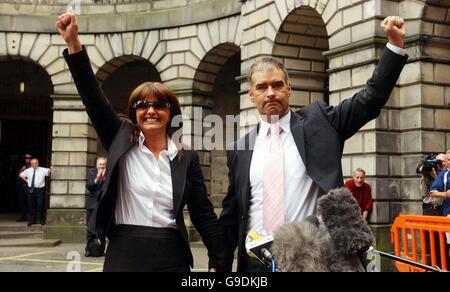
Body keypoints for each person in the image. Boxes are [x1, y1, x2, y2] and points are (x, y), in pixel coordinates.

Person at [220, 16, 408, 272]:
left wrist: (394, 46)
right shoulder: (239, 149)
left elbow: (369, 99)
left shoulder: (321, 122)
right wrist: (217, 265)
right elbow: (232, 214)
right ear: (251, 95)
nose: (271, 93)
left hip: (313, 259)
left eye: (277, 85)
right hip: (255, 264)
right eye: (262, 87)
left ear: (289, 89)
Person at [57, 12, 226, 272]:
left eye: (159, 105)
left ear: (171, 112)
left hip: (172, 256)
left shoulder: (187, 159)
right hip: (124, 254)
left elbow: (203, 214)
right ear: (134, 112)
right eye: (142, 105)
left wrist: (220, 262)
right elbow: (92, 96)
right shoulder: (120, 139)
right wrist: (74, 45)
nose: (150, 111)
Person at [85, 157, 107, 257]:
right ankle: (88, 250)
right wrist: (96, 180)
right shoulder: (92, 173)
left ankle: (100, 250)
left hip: (103, 205)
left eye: (103, 164)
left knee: (102, 229)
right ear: (96, 165)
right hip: (92, 206)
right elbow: (89, 186)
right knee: (90, 229)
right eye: (100, 164)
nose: (101, 166)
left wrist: (105, 180)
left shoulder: (108, 173)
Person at [19, 159, 51, 226]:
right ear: (31, 164)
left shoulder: (43, 169)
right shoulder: (28, 170)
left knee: (40, 205)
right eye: (33, 163)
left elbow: (48, 172)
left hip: (40, 190)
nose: (34, 165)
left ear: (38, 163)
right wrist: (27, 181)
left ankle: (41, 219)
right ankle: (32, 220)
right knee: (31, 205)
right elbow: (21, 175)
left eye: (36, 163)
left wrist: (50, 169)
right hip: (31, 189)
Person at [16, 154, 32, 222]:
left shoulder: (33, 167)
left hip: (30, 186)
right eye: (26, 159)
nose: (27, 160)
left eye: (29, 158)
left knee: (30, 202)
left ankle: (31, 217)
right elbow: (18, 177)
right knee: (22, 202)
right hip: (22, 186)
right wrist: (21, 170)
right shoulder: (23, 166)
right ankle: (23, 216)